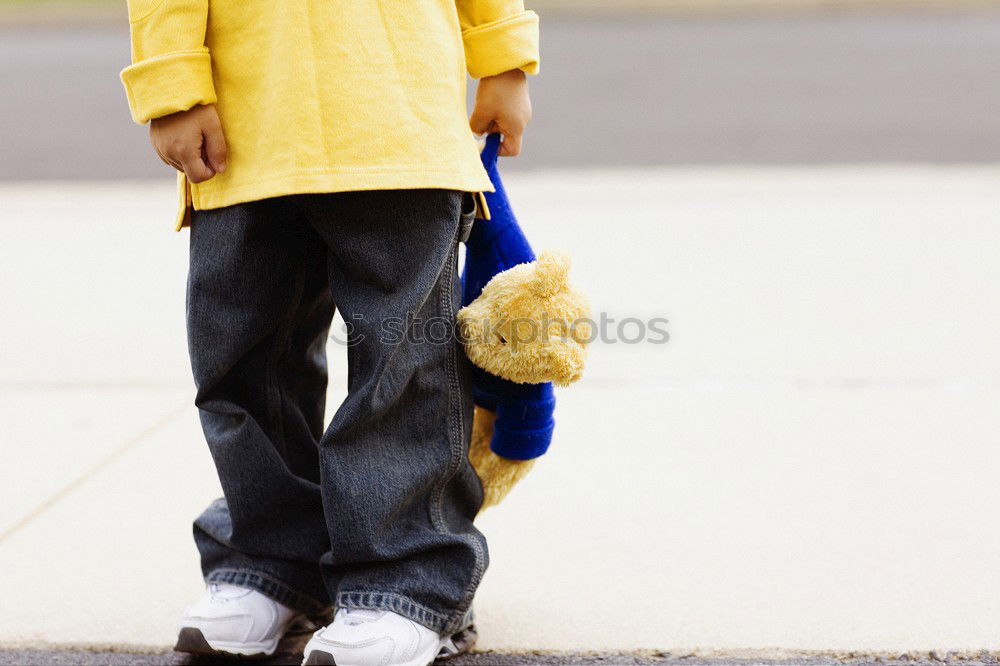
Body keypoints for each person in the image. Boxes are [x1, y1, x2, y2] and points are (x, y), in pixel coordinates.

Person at [120, 1, 538, 663]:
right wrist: (170, 86)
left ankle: (408, 581)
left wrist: (503, 58)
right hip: (243, 129)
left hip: (400, 123)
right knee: (243, 367)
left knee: (402, 376)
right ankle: (271, 561)